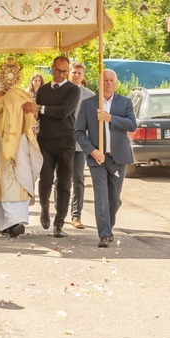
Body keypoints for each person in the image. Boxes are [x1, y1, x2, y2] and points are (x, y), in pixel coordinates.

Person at [74, 69, 136, 247]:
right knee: (101, 196)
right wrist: (92, 151)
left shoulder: (124, 103)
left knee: (113, 199)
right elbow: (78, 132)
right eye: (105, 81)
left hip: (118, 158)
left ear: (115, 83)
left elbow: (132, 124)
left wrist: (110, 118)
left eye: (111, 80)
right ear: (99, 83)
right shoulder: (88, 104)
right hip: (97, 159)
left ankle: (108, 220)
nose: (108, 83)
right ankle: (105, 234)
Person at [0, 58, 41, 237]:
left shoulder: (23, 95)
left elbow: (33, 116)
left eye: (13, 77)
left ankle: (16, 222)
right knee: (0, 184)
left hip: (19, 146)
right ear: (1, 79)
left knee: (19, 180)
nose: (9, 80)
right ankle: (6, 224)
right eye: (6, 77)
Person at [23, 56, 80, 238]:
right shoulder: (44, 90)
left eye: (64, 71)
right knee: (45, 179)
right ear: (52, 69)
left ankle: (59, 223)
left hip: (66, 142)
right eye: (58, 71)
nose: (61, 74)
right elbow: (36, 114)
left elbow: (64, 112)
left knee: (64, 183)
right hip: (46, 141)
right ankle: (45, 207)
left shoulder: (72, 90)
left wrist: (39, 108)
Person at [68, 62, 95, 230]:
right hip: (62, 142)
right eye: (73, 72)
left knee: (78, 179)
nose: (76, 75)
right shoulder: (61, 92)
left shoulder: (90, 96)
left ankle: (76, 215)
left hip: (80, 144)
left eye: (79, 73)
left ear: (83, 75)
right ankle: (60, 213)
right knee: (60, 179)